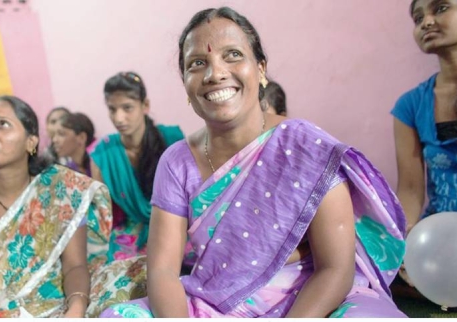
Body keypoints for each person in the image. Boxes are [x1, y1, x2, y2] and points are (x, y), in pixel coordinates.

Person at [100, 7, 407, 318]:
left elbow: (334, 270)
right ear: (186, 85)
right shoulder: (177, 161)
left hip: (312, 300)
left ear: (260, 70)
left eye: (232, 55)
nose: (215, 73)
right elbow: (164, 271)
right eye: (197, 63)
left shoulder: (305, 146)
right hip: (214, 302)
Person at [0, 96, 112, 317]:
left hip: (65, 303)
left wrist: (75, 311)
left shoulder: (61, 189)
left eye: (2, 124)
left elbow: (75, 266)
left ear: (31, 142)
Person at [391, 0, 457, 316]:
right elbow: (412, 191)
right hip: (441, 247)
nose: (427, 21)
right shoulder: (410, 105)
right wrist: (404, 248)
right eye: (418, 18)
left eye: (441, 8)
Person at [90, 71, 185, 262]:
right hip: (132, 230)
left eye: (127, 108)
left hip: (176, 223)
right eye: (112, 109)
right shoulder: (103, 154)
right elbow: (100, 210)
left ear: (145, 106)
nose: (119, 118)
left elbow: (191, 193)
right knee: (117, 272)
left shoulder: (172, 139)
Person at [52, 112, 96, 176]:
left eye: (61, 134)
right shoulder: (68, 170)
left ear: (82, 137)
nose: (54, 140)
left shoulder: (98, 163)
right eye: (54, 135)